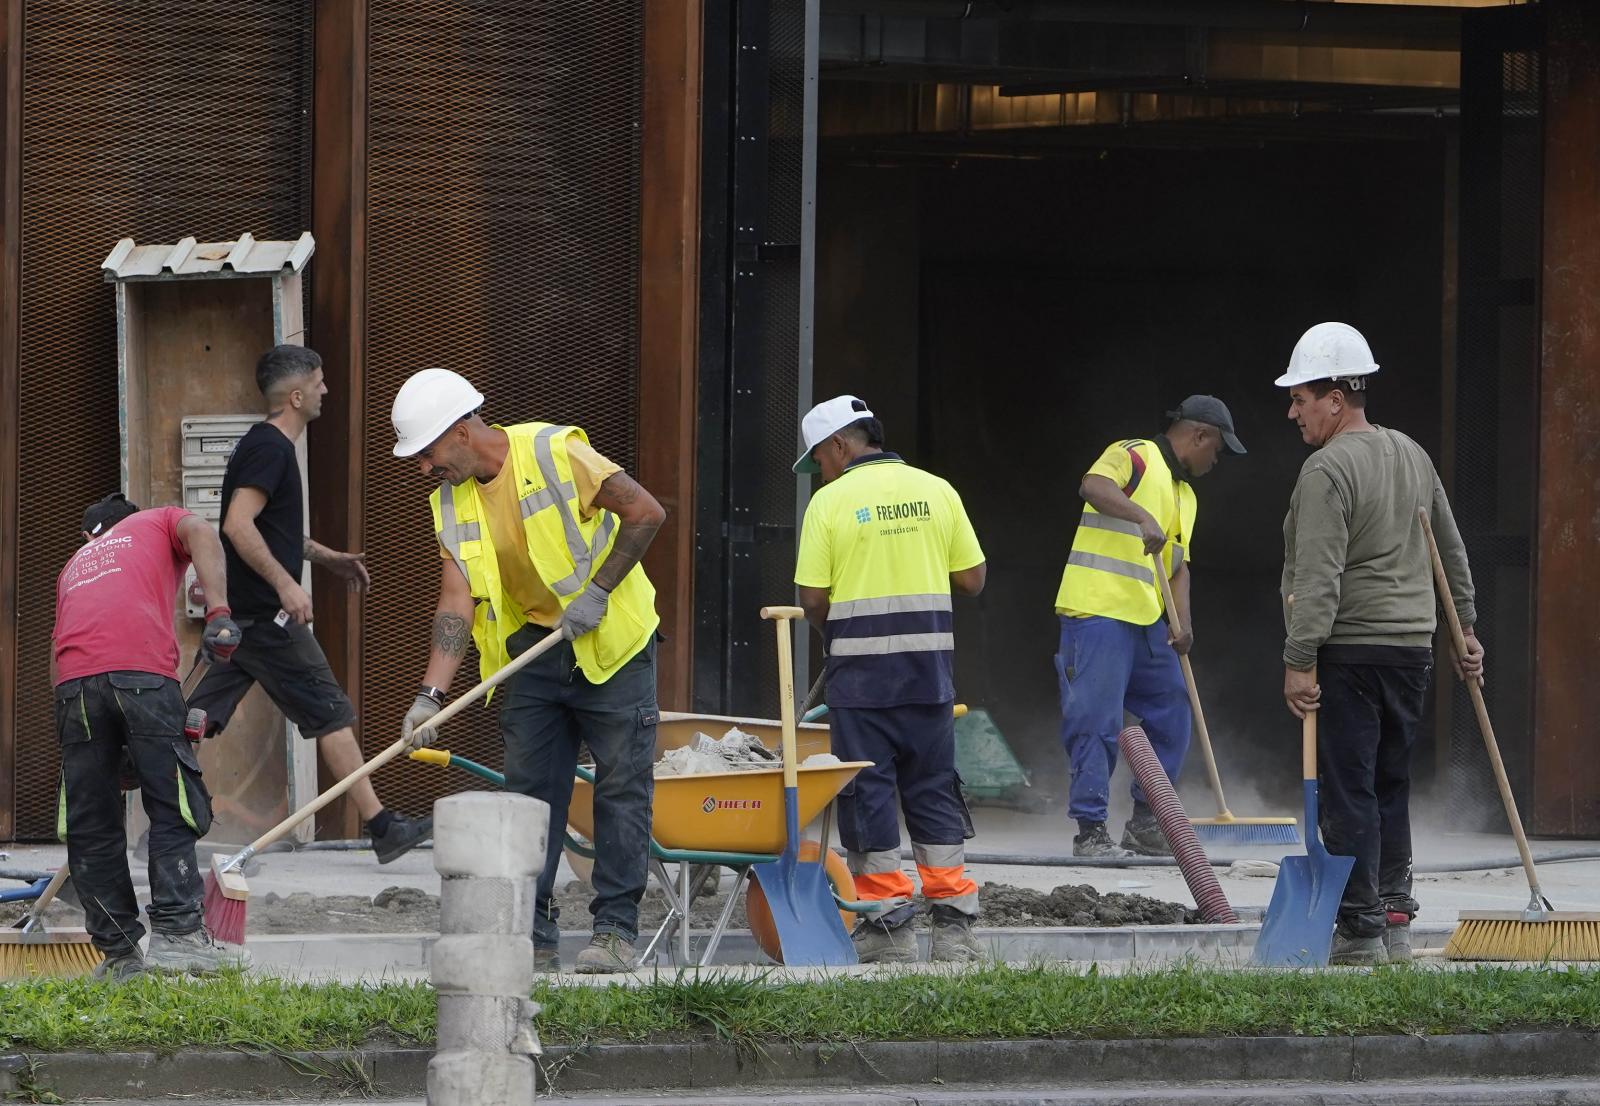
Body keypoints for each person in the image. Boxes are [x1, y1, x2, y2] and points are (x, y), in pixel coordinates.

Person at [390, 368, 665, 975]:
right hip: (534, 653)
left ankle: (616, 932)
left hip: (613, 644)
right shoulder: (449, 502)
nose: (423, 468)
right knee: (529, 794)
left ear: (462, 431)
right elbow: (456, 600)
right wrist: (430, 695)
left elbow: (646, 512)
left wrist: (597, 592)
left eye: (428, 453)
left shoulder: (555, 452)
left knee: (621, 787)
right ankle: (530, 935)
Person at [1278, 321, 1482, 966]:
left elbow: (1317, 574)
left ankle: (1359, 929)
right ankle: (1394, 912)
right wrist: (1464, 629)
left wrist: (1299, 659)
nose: (1293, 411)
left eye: (1301, 398)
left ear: (1336, 397)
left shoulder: (1326, 469)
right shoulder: (1412, 455)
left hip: (1351, 652)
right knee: (1391, 785)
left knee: (1349, 792)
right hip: (1411, 651)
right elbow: (1447, 548)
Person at [188, 345, 431, 863]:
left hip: (241, 623)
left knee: (191, 719)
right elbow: (237, 525)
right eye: (319, 383)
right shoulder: (271, 449)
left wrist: (326, 558)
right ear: (296, 396)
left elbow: (270, 531)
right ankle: (383, 827)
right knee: (330, 714)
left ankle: (164, 825)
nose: (326, 390)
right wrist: (287, 586)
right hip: (268, 624)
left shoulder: (261, 446)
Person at [793, 396, 987, 964]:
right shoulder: (938, 489)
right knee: (932, 792)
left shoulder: (830, 503)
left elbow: (811, 599)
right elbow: (972, 579)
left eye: (819, 461)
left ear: (839, 446)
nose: (820, 472)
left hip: (862, 681)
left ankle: (889, 927)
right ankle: (953, 928)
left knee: (868, 795)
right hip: (929, 676)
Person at [51, 493, 246, 979]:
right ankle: (180, 936)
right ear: (131, 520)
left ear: (89, 535)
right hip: (141, 674)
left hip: (74, 688)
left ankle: (119, 956)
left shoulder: (75, 563)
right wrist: (219, 612)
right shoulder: (157, 521)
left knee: (91, 822)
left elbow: (60, 653)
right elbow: (203, 531)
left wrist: (99, 742)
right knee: (172, 801)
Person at [1054, 396, 1245, 858]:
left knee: (1173, 708)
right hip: (1097, 612)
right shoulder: (1133, 453)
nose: (1215, 460)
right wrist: (1141, 515)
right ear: (1199, 435)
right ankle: (1090, 832)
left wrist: (1183, 624)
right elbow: (1093, 485)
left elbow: (1178, 566)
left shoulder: (1186, 496)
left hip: (1145, 622)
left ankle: (1146, 821)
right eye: (1216, 448)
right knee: (1096, 721)